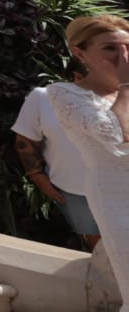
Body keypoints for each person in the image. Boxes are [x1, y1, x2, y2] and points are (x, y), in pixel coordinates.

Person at [35, 15, 129, 312]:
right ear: (80, 53)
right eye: (111, 48)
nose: (123, 57)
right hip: (116, 193)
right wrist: (126, 86)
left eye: (128, 47)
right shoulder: (66, 95)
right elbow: (116, 135)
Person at [14, 70, 104, 252]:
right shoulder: (43, 98)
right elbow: (25, 140)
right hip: (73, 191)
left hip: (120, 189)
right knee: (100, 248)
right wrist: (37, 176)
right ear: (78, 76)